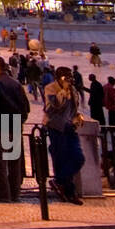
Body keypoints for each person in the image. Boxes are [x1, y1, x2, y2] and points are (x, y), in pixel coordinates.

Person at [0, 55, 29, 202]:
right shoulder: (16, 83)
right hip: (15, 125)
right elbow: (26, 107)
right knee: (14, 161)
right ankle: (15, 192)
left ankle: (3, 194)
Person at [42, 67, 85, 204]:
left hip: (70, 127)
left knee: (78, 157)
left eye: (70, 77)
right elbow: (52, 107)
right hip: (56, 127)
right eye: (66, 77)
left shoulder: (73, 90)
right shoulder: (50, 88)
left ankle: (59, 181)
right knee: (61, 159)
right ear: (59, 78)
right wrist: (63, 92)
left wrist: (77, 116)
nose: (69, 80)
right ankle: (69, 192)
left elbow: (74, 108)